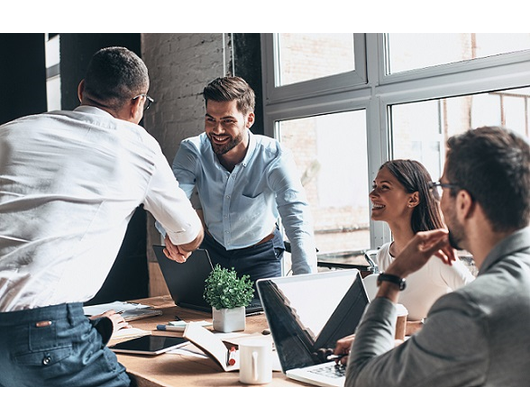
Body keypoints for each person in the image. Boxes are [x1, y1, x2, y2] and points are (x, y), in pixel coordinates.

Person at [0, 46, 204, 387]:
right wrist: (178, 240)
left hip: (47, 327)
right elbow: (189, 234)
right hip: (42, 333)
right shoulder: (136, 144)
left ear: (81, 91)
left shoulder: (10, 132)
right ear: (138, 104)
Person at [335, 126, 530, 387]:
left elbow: (361, 381)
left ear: (463, 202)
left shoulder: (472, 308)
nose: (436, 198)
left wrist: (392, 278)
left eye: (441, 186)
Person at [163, 76, 317, 289]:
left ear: (249, 119)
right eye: (210, 120)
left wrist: (306, 284)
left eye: (228, 121)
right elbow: (172, 199)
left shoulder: (274, 157)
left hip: (261, 256)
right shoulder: (193, 150)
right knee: (199, 318)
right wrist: (170, 234)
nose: (217, 131)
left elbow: (297, 218)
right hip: (211, 252)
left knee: (263, 319)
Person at [370, 159, 474, 327]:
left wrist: (413, 327)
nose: (372, 194)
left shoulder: (436, 257)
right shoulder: (383, 254)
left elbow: (483, 305)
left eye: (385, 187)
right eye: (375, 186)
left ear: (413, 199)